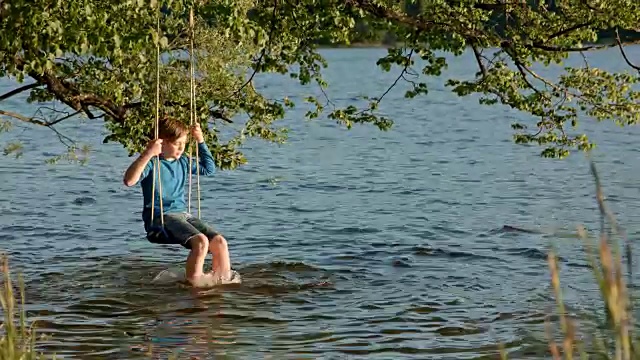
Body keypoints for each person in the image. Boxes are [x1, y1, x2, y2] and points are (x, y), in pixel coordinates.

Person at [123, 116, 231, 287]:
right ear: (162, 142)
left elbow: (209, 169)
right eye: (176, 143)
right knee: (201, 242)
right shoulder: (152, 164)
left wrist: (201, 141)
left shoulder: (183, 162)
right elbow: (129, 181)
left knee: (220, 242)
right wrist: (148, 153)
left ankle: (223, 282)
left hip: (183, 215)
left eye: (184, 143)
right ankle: (195, 285)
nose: (182, 147)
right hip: (161, 218)